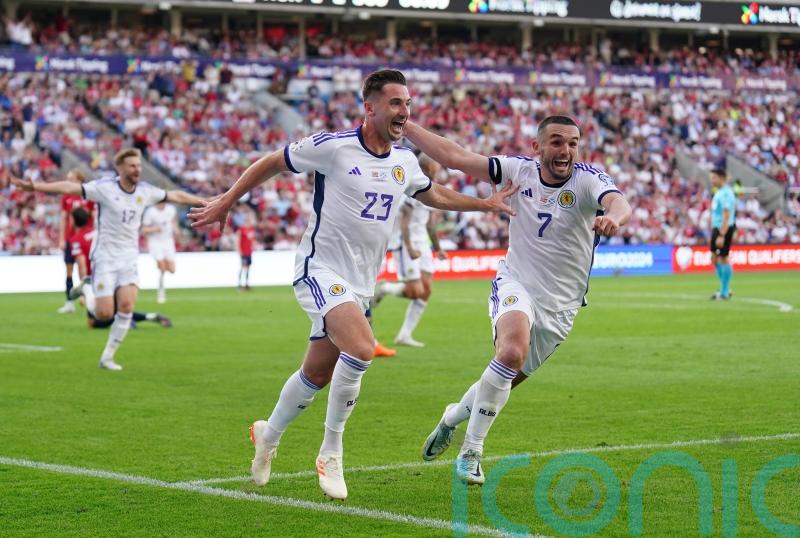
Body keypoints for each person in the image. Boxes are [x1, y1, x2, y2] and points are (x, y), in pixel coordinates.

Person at [188, 69, 517, 500]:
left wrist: (482, 204)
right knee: (362, 348)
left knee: (317, 372)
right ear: (370, 107)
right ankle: (331, 450)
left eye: (408, 103)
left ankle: (268, 433)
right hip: (320, 269)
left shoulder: (404, 161)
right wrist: (227, 200)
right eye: (396, 103)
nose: (405, 112)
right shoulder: (333, 147)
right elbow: (272, 161)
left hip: (361, 283)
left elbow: (431, 193)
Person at [403, 115, 632, 485]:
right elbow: (455, 156)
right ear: (537, 147)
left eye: (573, 143)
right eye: (557, 142)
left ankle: (451, 417)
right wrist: (406, 126)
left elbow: (618, 202)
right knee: (510, 353)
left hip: (561, 306)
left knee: (503, 380)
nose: (566, 150)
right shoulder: (516, 170)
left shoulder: (588, 179)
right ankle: (471, 452)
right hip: (516, 282)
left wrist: (615, 219)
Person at [13, 148, 204, 371]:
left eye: (139, 166)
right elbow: (69, 187)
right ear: (120, 168)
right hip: (105, 256)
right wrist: (36, 187)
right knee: (103, 313)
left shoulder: (146, 191)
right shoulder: (104, 188)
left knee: (126, 306)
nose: (137, 169)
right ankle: (86, 289)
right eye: (132, 165)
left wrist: (205, 201)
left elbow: (176, 195)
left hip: (129, 257)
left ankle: (107, 357)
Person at [372, 153, 448, 347]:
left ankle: (404, 335)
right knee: (415, 291)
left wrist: (438, 248)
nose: (439, 167)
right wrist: (409, 247)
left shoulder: (430, 187)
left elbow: (430, 225)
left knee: (426, 290)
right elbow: (404, 220)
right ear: (429, 167)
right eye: (436, 164)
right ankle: (386, 288)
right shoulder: (413, 186)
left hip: (422, 243)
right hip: (407, 244)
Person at [65, 208, 172, 330]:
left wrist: (84, 282)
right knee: (119, 309)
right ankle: (150, 316)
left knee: (95, 321)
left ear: (73, 220)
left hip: (97, 279)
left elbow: (82, 264)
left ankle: (87, 290)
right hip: (114, 273)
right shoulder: (98, 233)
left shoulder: (76, 239)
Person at [57, 168, 94, 314]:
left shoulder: (88, 196)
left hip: (85, 239)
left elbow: (94, 217)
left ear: (79, 180)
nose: (68, 182)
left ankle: (87, 296)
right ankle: (69, 302)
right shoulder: (66, 197)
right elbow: (63, 218)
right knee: (69, 270)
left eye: (71, 179)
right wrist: (61, 238)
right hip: (70, 239)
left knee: (84, 269)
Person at [142, 201, 178, 304]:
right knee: (162, 267)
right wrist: (154, 229)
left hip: (168, 242)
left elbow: (173, 222)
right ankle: (161, 292)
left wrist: (176, 230)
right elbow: (144, 229)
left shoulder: (171, 209)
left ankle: (163, 265)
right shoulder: (150, 212)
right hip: (155, 243)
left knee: (172, 269)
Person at [709, 168, 736, 300]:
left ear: (721, 178)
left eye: (714, 177)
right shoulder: (719, 192)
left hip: (723, 228)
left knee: (723, 258)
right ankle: (725, 288)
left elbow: (726, 214)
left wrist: (722, 234)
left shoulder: (726, 193)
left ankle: (724, 292)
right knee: (714, 258)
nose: (712, 180)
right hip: (717, 227)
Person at [236, 209, 256, 291]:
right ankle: (240, 284)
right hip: (244, 252)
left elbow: (252, 240)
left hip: (249, 252)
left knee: (248, 267)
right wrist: (239, 250)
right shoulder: (241, 230)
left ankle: (247, 284)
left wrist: (253, 247)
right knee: (243, 267)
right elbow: (238, 240)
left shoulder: (251, 229)